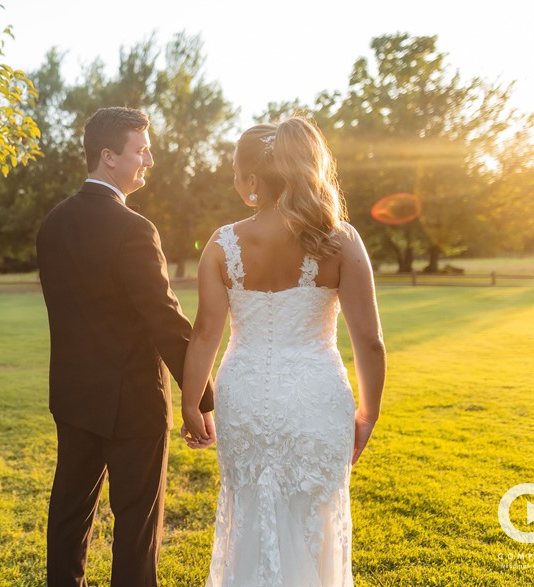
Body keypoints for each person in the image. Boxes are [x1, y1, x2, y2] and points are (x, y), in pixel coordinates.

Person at [180, 116, 386, 586]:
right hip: (316, 395)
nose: (234, 181)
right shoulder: (340, 238)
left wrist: (193, 402)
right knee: (312, 511)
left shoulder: (221, 243)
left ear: (253, 181)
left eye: (235, 172)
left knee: (250, 507)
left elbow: (206, 331)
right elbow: (369, 341)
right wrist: (368, 412)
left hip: (245, 398)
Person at [37, 106, 216, 587]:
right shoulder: (134, 228)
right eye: (141, 150)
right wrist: (200, 398)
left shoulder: (53, 223)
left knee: (69, 517)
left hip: (74, 397)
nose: (149, 161)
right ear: (108, 157)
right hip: (135, 402)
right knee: (136, 528)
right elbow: (165, 318)